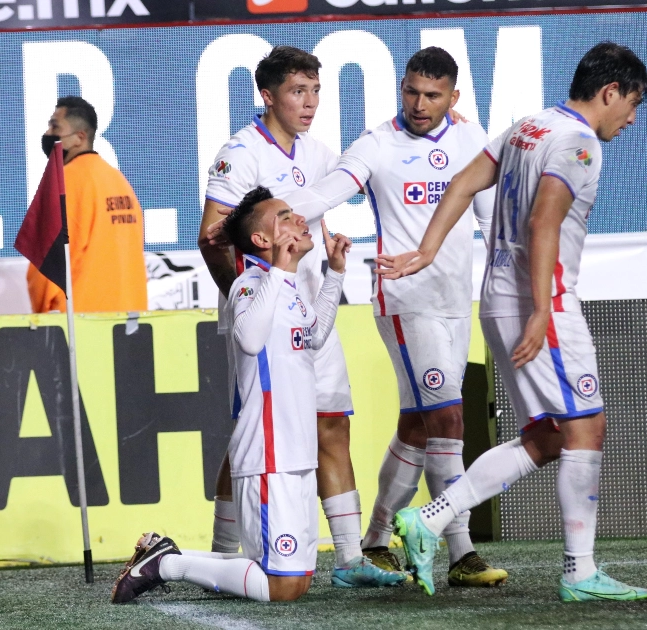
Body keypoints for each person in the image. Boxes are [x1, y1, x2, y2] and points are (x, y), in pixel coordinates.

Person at [378, 42, 647, 602]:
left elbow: (460, 183)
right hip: (539, 304)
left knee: (548, 435)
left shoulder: (529, 126)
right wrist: (542, 313)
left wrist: (428, 250)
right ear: (611, 92)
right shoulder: (577, 144)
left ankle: (428, 520)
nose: (631, 118)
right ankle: (580, 572)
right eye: (633, 103)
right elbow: (542, 223)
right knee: (585, 429)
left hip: (497, 297)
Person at [279, 47, 505, 589]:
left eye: (431, 95)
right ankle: (461, 549)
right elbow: (328, 190)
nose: (418, 104)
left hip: (455, 302)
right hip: (404, 302)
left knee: (420, 427)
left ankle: (377, 539)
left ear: (455, 97)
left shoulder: (470, 139)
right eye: (410, 91)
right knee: (449, 419)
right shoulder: (377, 144)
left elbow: (492, 220)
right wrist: (268, 216)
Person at [198, 46, 403, 587]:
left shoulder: (317, 153)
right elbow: (210, 237)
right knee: (251, 434)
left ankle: (352, 560)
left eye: (315, 90)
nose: (309, 103)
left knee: (332, 423)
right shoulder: (239, 154)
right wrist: (247, 297)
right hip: (264, 321)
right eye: (297, 91)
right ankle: (222, 552)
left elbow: (311, 225)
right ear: (267, 96)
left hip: (311, 310)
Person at [111, 187, 350, 603]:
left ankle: (162, 554)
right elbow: (250, 340)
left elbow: (314, 335)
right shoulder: (249, 285)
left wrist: (336, 273)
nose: (299, 220)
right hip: (267, 455)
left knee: (295, 580)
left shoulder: (288, 287)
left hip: (297, 454)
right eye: (285, 217)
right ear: (262, 241)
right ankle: (168, 565)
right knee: (282, 586)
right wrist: (279, 270)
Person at [27, 96, 147, 314]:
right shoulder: (119, 181)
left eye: (55, 126)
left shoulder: (64, 182)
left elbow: (46, 263)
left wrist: (43, 313)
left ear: (79, 138)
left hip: (79, 322)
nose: (47, 134)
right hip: (128, 318)